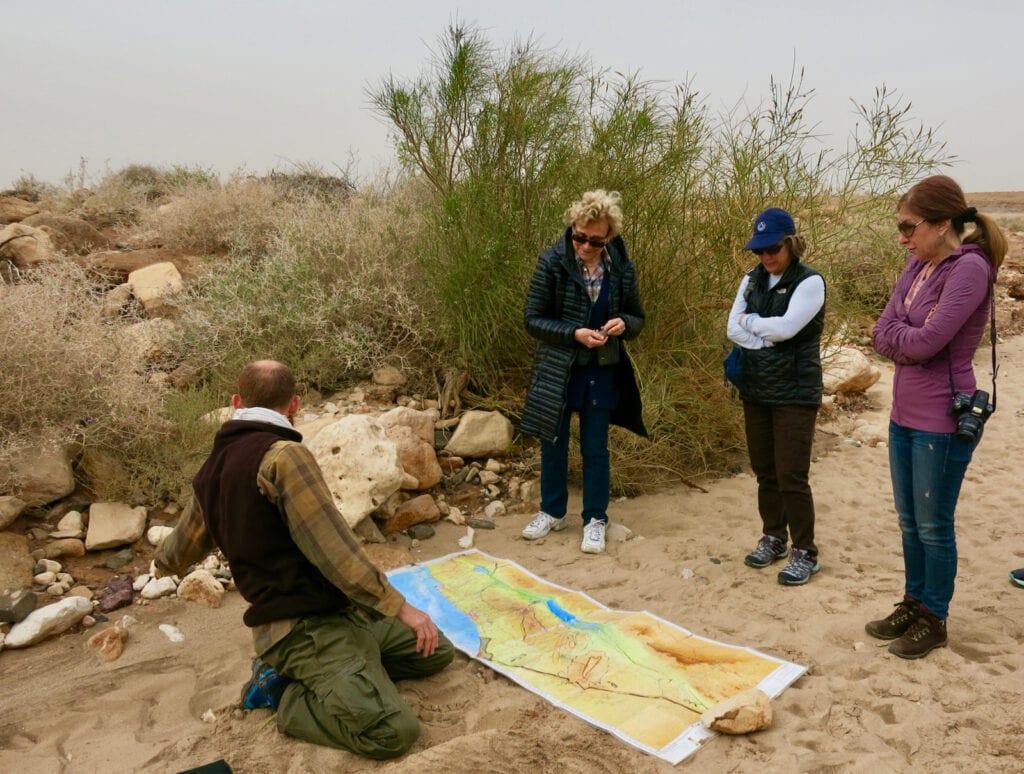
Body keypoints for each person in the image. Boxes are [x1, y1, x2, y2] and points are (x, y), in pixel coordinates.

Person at [155, 360, 455, 759]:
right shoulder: (284, 457)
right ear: (294, 404)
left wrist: (158, 564)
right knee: (393, 733)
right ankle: (286, 695)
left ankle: (349, 675)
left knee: (435, 652)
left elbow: (180, 549)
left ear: (235, 402)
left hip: (340, 612)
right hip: (302, 630)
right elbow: (334, 552)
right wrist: (400, 607)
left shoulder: (210, 472)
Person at [867, 175, 1006, 659]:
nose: (902, 238)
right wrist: (905, 336)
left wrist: (902, 339)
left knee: (933, 524)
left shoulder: (968, 270)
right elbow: (881, 331)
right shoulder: (917, 264)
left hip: (942, 419)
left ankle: (935, 618)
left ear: (943, 223)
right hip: (904, 412)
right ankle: (913, 601)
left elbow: (927, 342)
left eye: (909, 227)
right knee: (909, 521)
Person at [519, 190, 647, 555]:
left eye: (595, 240)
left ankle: (595, 519)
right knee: (553, 443)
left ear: (609, 236)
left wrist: (624, 323)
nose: (586, 246)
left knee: (595, 448)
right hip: (558, 368)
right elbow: (532, 319)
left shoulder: (622, 268)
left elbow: (638, 317)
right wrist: (573, 334)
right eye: (580, 237)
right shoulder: (551, 262)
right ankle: (552, 512)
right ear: (572, 228)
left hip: (602, 369)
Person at [727, 208, 826, 586]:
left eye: (773, 249)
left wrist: (752, 325)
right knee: (765, 470)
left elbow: (786, 329)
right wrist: (762, 337)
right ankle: (773, 537)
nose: (766, 257)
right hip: (756, 389)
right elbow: (731, 329)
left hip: (795, 392)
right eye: (760, 251)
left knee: (792, 475)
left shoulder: (810, 282)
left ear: (790, 243)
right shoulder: (752, 280)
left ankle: (805, 552)